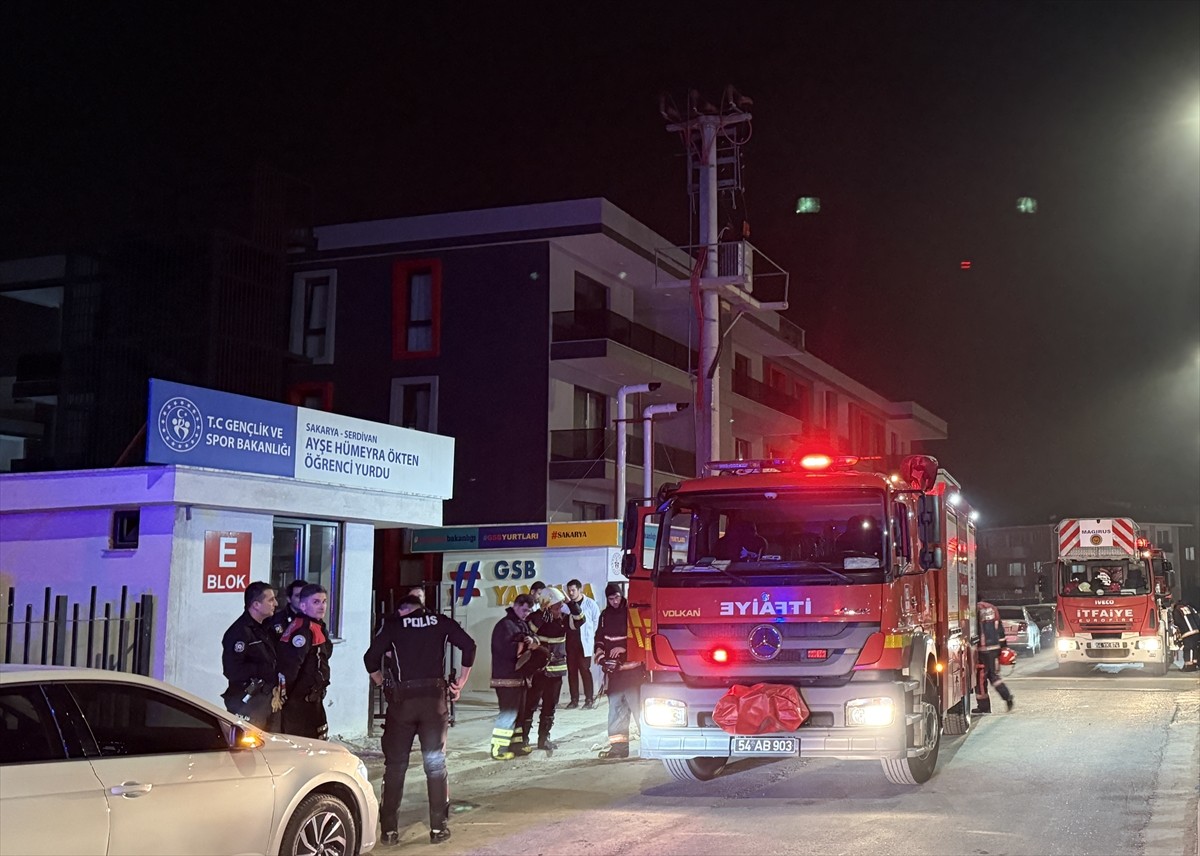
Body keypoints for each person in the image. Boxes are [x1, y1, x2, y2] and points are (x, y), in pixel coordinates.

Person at [364, 594, 475, 846]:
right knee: (435, 765)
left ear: (404, 610)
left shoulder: (394, 626)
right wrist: (461, 682)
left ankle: (389, 832)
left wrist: (383, 684)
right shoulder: (441, 622)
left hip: (402, 703)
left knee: (395, 767)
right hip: (434, 704)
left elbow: (370, 658)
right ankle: (438, 829)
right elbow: (469, 646)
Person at [518, 586, 579, 752]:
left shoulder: (564, 619)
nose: (559, 609)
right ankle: (523, 740)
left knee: (550, 706)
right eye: (556, 606)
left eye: (560, 606)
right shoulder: (536, 618)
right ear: (546, 606)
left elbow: (580, 619)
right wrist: (541, 618)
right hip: (538, 670)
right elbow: (526, 631)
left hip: (556, 671)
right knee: (530, 705)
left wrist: (569, 602)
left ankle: (543, 739)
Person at [220, 581, 282, 730]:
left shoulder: (266, 628)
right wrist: (262, 670)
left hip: (268, 698)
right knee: (248, 748)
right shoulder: (239, 632)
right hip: (248, 700)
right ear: (256, 605)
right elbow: (232, 671)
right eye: (270, 600)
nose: (276, 603)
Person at [277, 584, 334, 739]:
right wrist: (287, 696)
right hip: (301, 702)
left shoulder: (316, 626)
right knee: (307, 744)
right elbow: (291, 667)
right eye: (316, 602)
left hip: (312, 698)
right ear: (303, 605)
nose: (322, 606)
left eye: (324, 601)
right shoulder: (303, 630)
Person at [489, 593, 541, 760]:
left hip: (520, 679)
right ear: (515, 606)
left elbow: (532, 640)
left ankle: (517, 745)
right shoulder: (504, 626)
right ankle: (498, 748)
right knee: (508, 713)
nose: (526, 614)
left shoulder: (521, 624)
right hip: (506, 679)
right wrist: (525, 644)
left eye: (529, 611)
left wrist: (532, 641)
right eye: (524, 610)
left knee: (520, 713)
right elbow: (506, 650)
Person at [595, 583, 644, 758]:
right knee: (616, 710)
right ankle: (618, 749)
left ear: (622, 596)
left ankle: (649, 746)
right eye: (611, 598)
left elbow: (641, 637)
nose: (615, 601)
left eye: (617, 597)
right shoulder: (604, 616)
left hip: (633, 674)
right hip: (615, 675)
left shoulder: (632, 613)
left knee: (640, 710)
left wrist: (624, 649)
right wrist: (601, 656)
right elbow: (599, 638)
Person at [563, 578, 600, 710]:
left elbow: (596, 621)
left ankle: (589, 699)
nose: (571, 593)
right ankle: (574, 700)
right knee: (572, 672)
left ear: (580, 590)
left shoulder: (590, 604)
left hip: (585, 643)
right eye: (569, 590)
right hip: (570, 643)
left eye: (573, 590)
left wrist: (591, 636)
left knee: (585, 670)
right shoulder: (566, 606)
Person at [973, 601, 1014, 714]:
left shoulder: (976, 609)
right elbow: (1000, 629)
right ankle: (1007, 696)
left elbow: (973, 629)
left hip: (982, 649)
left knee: (981, 678)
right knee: (993, 676)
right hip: (994, 648)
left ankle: (984, 707)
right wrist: (1004, 647)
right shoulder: (993, 609)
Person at [1171, 600, 1199, 671]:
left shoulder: (1177, 610)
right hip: (1196, 630)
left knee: (1188, 648)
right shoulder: (1189, 607)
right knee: (1194, 648)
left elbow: (1177, 622)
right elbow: (1197, 617)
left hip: (1187, 632)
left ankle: (1189, 666)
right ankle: (1194, 663)